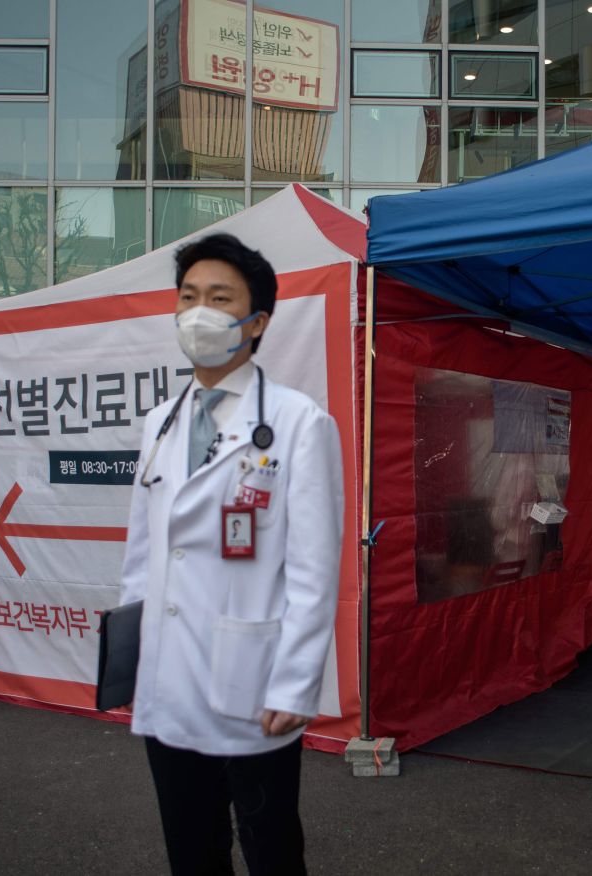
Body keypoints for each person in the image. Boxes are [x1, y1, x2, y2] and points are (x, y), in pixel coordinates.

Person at [119, 233, 344, 874]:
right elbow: (143, 547)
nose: (200, 313)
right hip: (166, 674)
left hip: (253, 678)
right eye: (188, 297)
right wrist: (132, 656)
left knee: (270, 845)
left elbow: (313, 568)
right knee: (191, 847)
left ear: (257, 321)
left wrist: (298, 683)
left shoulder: (298, 423)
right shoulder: (160, 421)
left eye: (220, 298)